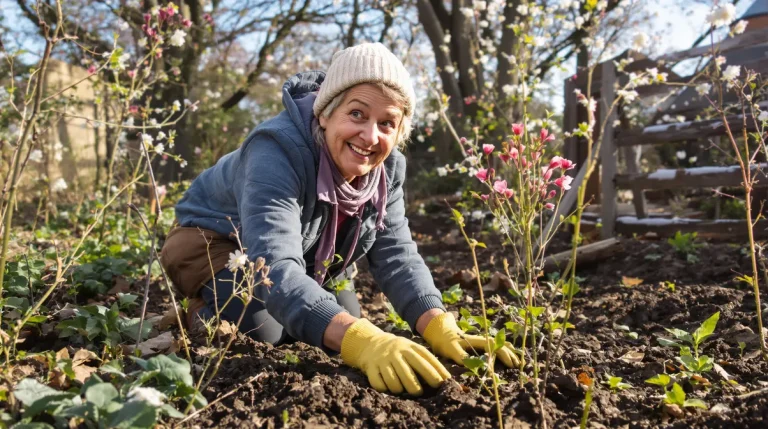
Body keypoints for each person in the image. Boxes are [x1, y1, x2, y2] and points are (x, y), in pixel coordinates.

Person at [161, 43, 518, 396]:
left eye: (387, 123)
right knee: (263, 331)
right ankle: (198, 313)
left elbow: (396, 253)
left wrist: (437, 323)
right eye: (357, 114)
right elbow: (273, 262)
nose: (370, 136)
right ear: (325, 112)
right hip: (217, 241)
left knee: (332, 330)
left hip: (314, 254)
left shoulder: (387, 169)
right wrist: (359, 339)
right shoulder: (275, 149)